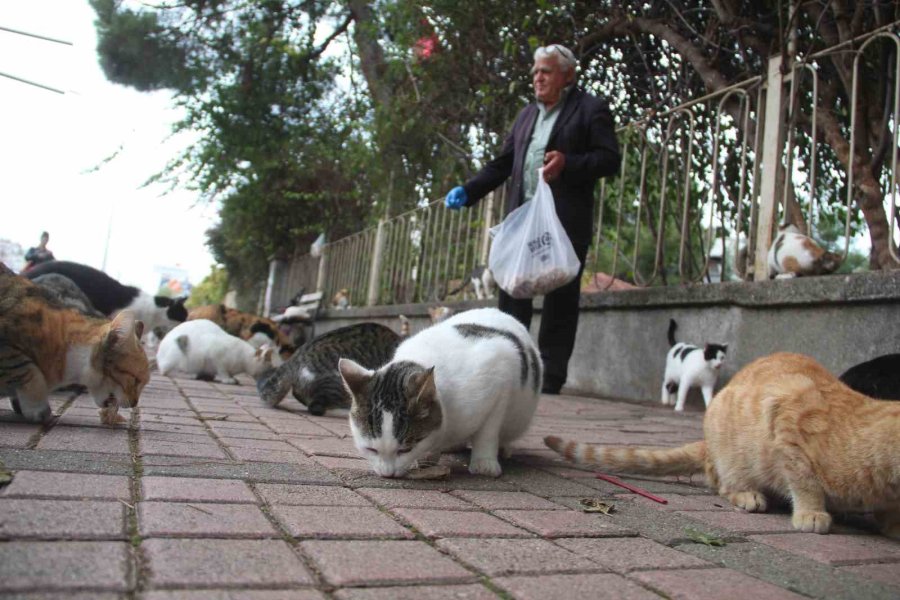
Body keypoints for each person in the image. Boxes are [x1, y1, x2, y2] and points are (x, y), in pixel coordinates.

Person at [444, 44, 620, 395]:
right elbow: (504, 162)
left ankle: (550, 375)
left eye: (546, 71)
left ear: (567, 76)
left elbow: (608, 159)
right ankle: (509, 364)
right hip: (523, 218)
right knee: (512, 289)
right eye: (535, 72)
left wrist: (568, 163)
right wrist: (470, 189)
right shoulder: (527, 115)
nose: (537, 77)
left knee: (561, 295)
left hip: (564, 220)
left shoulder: (590, 110)